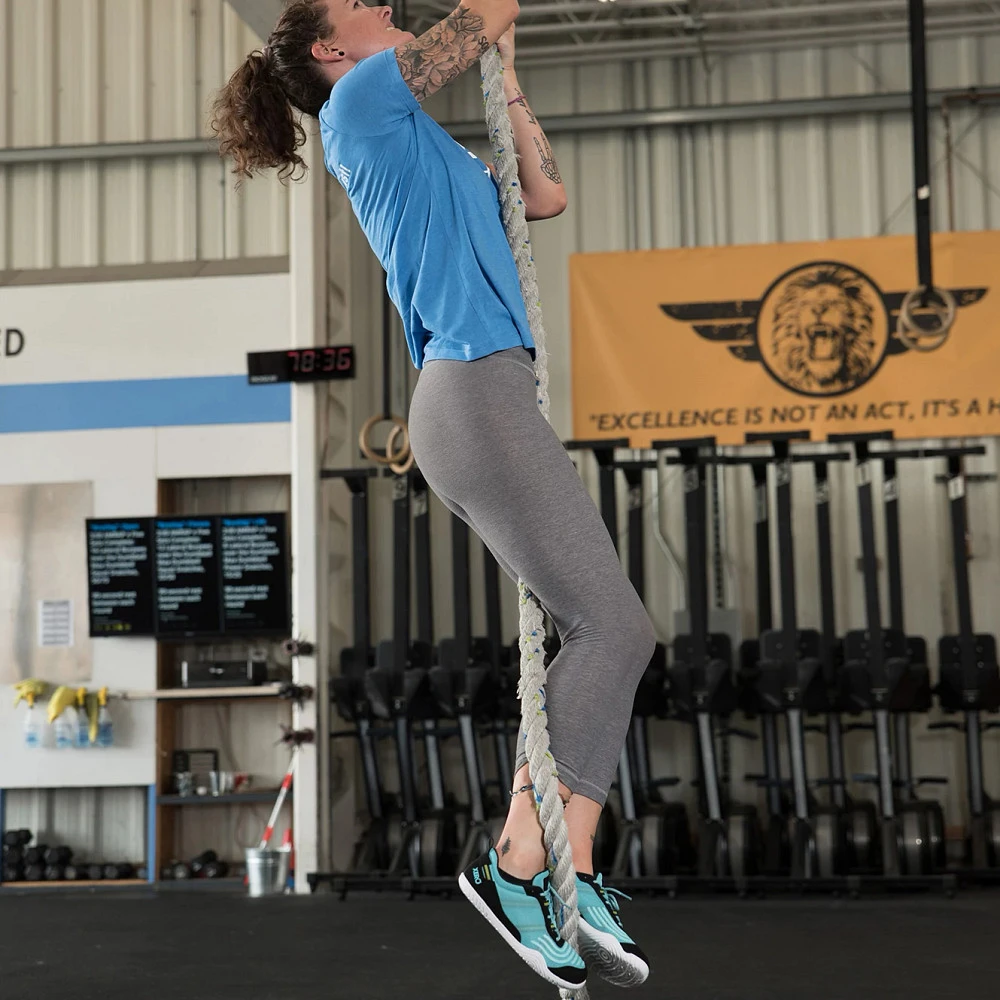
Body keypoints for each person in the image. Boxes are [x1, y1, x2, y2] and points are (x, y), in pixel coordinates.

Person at [211, 0, 655, 990]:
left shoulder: (417, 138)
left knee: (609, 630)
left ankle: (560, 870)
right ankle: (525, 867)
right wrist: (489, 30)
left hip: (485, 395)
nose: (380, 5)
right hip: (472, 393)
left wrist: (508, 73)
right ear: (332, 49)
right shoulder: (357, 106)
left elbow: (544, 197)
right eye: (360, 6)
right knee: (614, 629)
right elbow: (483, 11)